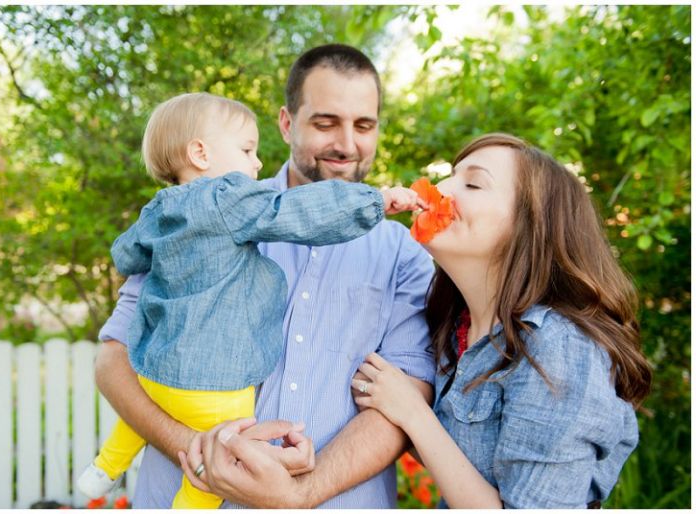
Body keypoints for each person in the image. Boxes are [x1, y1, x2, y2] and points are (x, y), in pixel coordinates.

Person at [95, 44, 437, 508]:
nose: (347, 143)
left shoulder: (403, 255)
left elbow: (409, 395)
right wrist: (205, 457)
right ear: (286, 122)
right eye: (325, 122)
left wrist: (301, 491)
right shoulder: (207, 212)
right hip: (182, 491)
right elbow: (114, 359)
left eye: (364, 125)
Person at [346, 133, 653, 508]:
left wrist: (413, 414)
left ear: (530, 226)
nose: (440, 189)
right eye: (450, 176)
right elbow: (469, 466)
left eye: (473, 183)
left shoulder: (558, 348)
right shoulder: (456, 330)